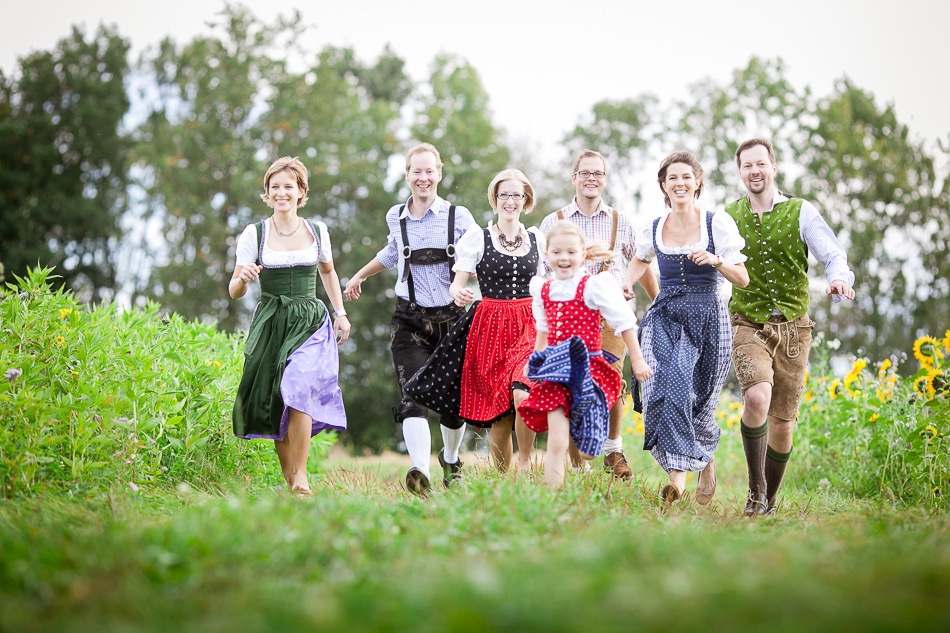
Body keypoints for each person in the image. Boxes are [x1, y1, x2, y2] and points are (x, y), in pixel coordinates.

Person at [726, 138, 856, 516]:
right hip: (747, 322)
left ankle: (769, 501)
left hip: (794, 330)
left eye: (760, 164)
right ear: (740, 173)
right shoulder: (728, 217)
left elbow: (832, 254)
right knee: (756, 398)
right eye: (747, 166)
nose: (754, 171)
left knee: (782, 425)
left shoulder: (800, 211)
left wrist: (839, 279)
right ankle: (755, 491)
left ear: (773, 167)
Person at [343, 143, 475, 497]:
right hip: (410, 319)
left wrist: (470, 288)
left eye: (429, 170)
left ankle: (450, 459)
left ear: (440, 173)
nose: (423, 177)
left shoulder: (458, 217)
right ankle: (419, 470)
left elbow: (476, 256)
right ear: (407, 175)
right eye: (416, 171)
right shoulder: (395, 216)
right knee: (412, 393)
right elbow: (391, 251)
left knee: (452, 403)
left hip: (453, 321)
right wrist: (360, 275)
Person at [626, 151, 749, 504]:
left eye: (685, 177)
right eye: (672, 178)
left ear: (697, 182)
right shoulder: (654, 226)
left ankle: (703, 457)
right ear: (663, 186)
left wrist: (716, 260)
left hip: (708, 317)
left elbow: (741, 278)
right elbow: (640, 258)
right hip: (665, 315)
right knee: (659, 389)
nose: (679, 183)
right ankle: (677, 482)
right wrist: (625, 283)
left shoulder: (717, 223)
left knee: (698, 403)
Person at [403, 169, 545, 473]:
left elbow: (549, 284)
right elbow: (457, 282)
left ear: (526, 199)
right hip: (491, 325)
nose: (510, 200)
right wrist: (459, 293)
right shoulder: (478, 237)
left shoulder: (538, 238)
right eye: (503, 194)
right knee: (500, 414)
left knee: (524, 392)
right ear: (495, 199)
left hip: (530, 324)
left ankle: (524, 464)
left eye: (516, 195)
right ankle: (504, 483)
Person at [230, 156, 350, 496]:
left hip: (311, 320)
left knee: (298, 386)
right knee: (278, 399)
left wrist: (340, 312)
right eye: (274, 187)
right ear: (267, 194)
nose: (281, 193)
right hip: (272, 322)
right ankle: (293, 479)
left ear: (301, 192)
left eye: (288, 186)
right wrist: (244, 277)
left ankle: (302, 478)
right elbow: (234, 290)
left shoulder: (317, 230)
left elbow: (327, 271)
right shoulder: (254, 233)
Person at [539, 149, 659, 480]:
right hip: (570, 314)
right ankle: (580, 457)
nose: (592, 179)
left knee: (607, 374)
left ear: (605, 179)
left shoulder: (622, 222)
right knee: (574, 384)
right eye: (585, 173)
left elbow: (642, 261)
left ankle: (613, 450)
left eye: (598, 174)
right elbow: (542, 269)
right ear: (574, 177)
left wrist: (657, 299)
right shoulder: (554, 221)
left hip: (611, 317)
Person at [519, 221, 653, 490]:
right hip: (556, 371)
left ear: (583, 255)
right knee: (556, 440)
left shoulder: (592, 286)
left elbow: (624, 321)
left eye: (570, 252)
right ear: (547, 255)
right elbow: (543, 330)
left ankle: (587, 432)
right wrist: (535, 360)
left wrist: (637, 360)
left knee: (588, 452)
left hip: (588, 370)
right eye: (556, 252)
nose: (564, 258)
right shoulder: (543, 289)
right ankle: (552, 496)